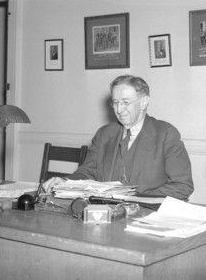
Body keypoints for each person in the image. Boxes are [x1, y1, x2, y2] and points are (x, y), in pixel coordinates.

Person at [43, 75, 194, 200]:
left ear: (143, 102)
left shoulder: (165, 134)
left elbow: (182, 186)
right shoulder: (104, 134)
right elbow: (87, 172)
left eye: (125, 102)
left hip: (147, 214)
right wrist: (65, 182)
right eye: (115, 103)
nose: (119, 109)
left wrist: (135, 198)